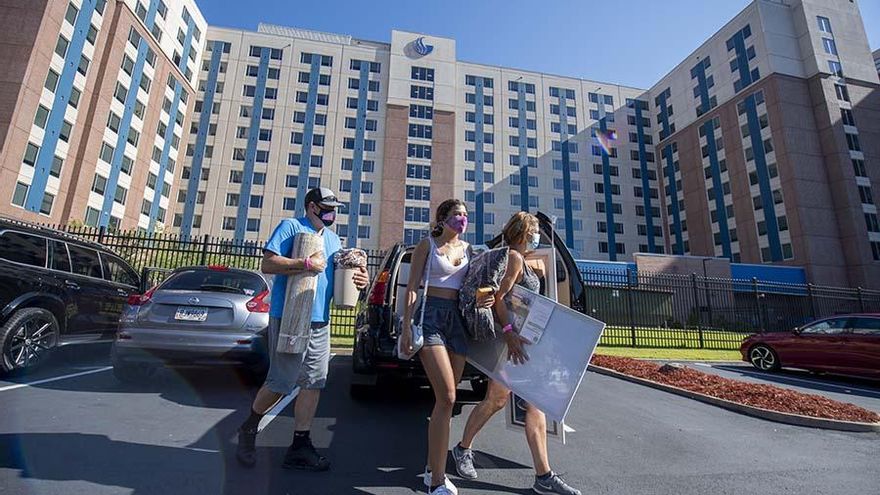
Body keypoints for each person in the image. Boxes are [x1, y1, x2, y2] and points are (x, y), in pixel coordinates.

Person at [235, 187, 369, 471]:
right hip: (290, 317)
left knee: (314, 381)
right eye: (326, 207)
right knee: (281, 383)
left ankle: (299, 445)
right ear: (311, 206)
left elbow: (340, 278)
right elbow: (268, 263)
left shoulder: (333, 240)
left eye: (335, 208)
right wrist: (304, 263)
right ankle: (249, 429)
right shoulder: (291, 227)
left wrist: (359, 279)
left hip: (320, 320)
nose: (332, 213)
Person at [451, 212, 581, 495]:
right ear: (523, 233)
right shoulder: (514, 257)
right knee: (496, 400)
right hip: (511, 342)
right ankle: (462, 449)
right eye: (535, 233)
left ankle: (543, 476)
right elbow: (499, 296)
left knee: (534, 404)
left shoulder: (522, 259)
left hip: (524, 343)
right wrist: (509, 332)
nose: (537, 237)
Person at [400, 199, 492, 495]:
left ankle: (431, 469)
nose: (462, 219)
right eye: (456, 215)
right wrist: (405, 327)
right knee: (448, 396)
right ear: (442, 218)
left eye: (465, 215)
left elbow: (478, 286)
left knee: (447, 404)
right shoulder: (426, 245)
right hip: (431, 318)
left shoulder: (470, 251)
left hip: (458, 321)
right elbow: (412, 287)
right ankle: (437, 482)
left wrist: (486, 297)